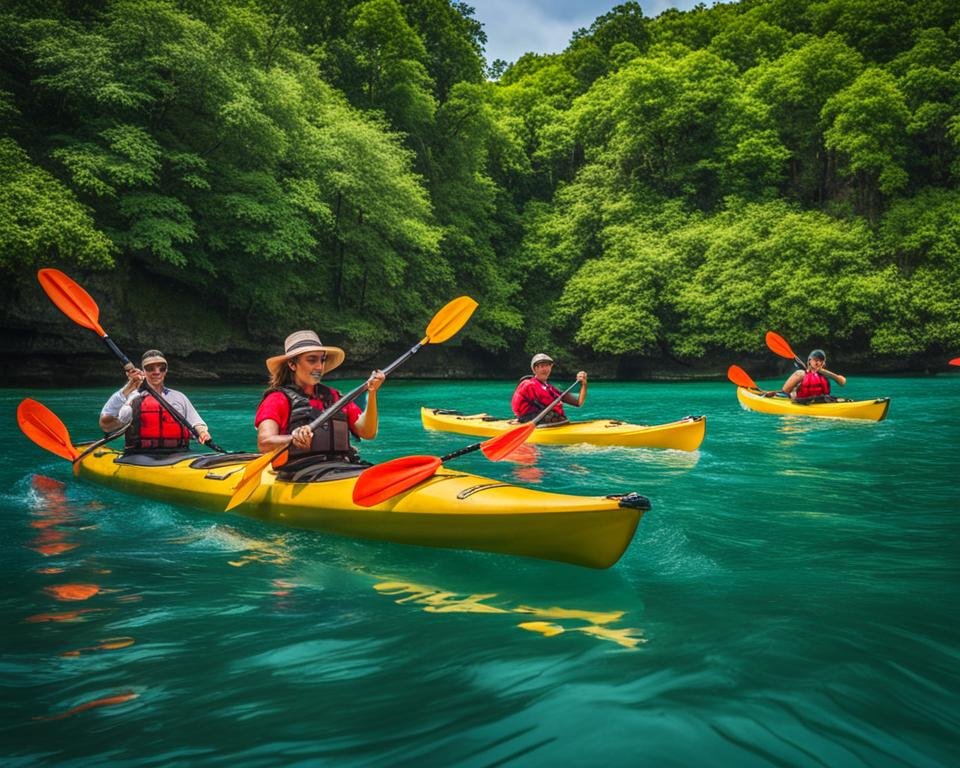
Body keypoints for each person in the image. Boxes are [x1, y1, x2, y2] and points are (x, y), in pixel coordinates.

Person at [254, 331, 385, 476]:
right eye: (312, 360)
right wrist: (294, 438)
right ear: (292, 364)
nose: (319, 366)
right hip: (301, 473)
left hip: (343, 467)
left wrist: (372, 393)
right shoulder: (277, 399)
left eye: (321, 360)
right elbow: (264, 442)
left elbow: (368, 433)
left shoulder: (334, 397)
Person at [99, 350, 212, 452]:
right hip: (140, 455)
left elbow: (196, 422)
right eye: (150, 368)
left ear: (166, 370)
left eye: (161, 368)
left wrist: (202, 432)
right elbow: (106, 425)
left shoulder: (179, 397)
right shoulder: (132, 397)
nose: (156, 372)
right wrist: (128, 388)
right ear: (143, 371)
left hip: (180, 453)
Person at [510, 353, 587, 424]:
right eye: (541, 366)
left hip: (545, 421)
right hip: (528, 420)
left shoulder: (550, 388)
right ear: (535, 369)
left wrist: (584, 384)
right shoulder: (528, 384)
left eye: (547, 366)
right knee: (555, 416)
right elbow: (548, 403)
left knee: (557, 417)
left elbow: (578, 403)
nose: (545, 369)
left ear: (551, 367)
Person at [774, 348, 847, 401]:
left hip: (822, 402)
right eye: (816, 360)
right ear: (809, 361)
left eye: (821, 361)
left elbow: (842, 382)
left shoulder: (825, 374)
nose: (818, 363)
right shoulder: (801, 374)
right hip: (802, 402)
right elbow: (788, 392)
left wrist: (824, 372)